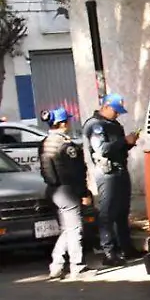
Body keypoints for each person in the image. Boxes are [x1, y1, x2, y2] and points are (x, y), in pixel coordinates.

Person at [82, 93, 139, 266]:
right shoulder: (95, 125)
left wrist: (130, 142)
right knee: (108, 213)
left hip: (120, 170)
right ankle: (109, 252)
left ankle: (126, 247)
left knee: (122, 212)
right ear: (105, 106)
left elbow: (118, 149)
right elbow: (102, 149)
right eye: (115, 110)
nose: (117, 114)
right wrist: (124, 141)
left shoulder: (113, 125)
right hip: (107, 173)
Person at [39, 108, 90, 280]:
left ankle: (56, 265)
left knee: (68, 229)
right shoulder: (66, 145)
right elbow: (76, 172)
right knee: (75, 229)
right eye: (67, 121)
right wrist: (84, 192)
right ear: (62, 123)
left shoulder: (45, 142)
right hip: (66, 191)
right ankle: (78, 267)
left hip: (52, 190)